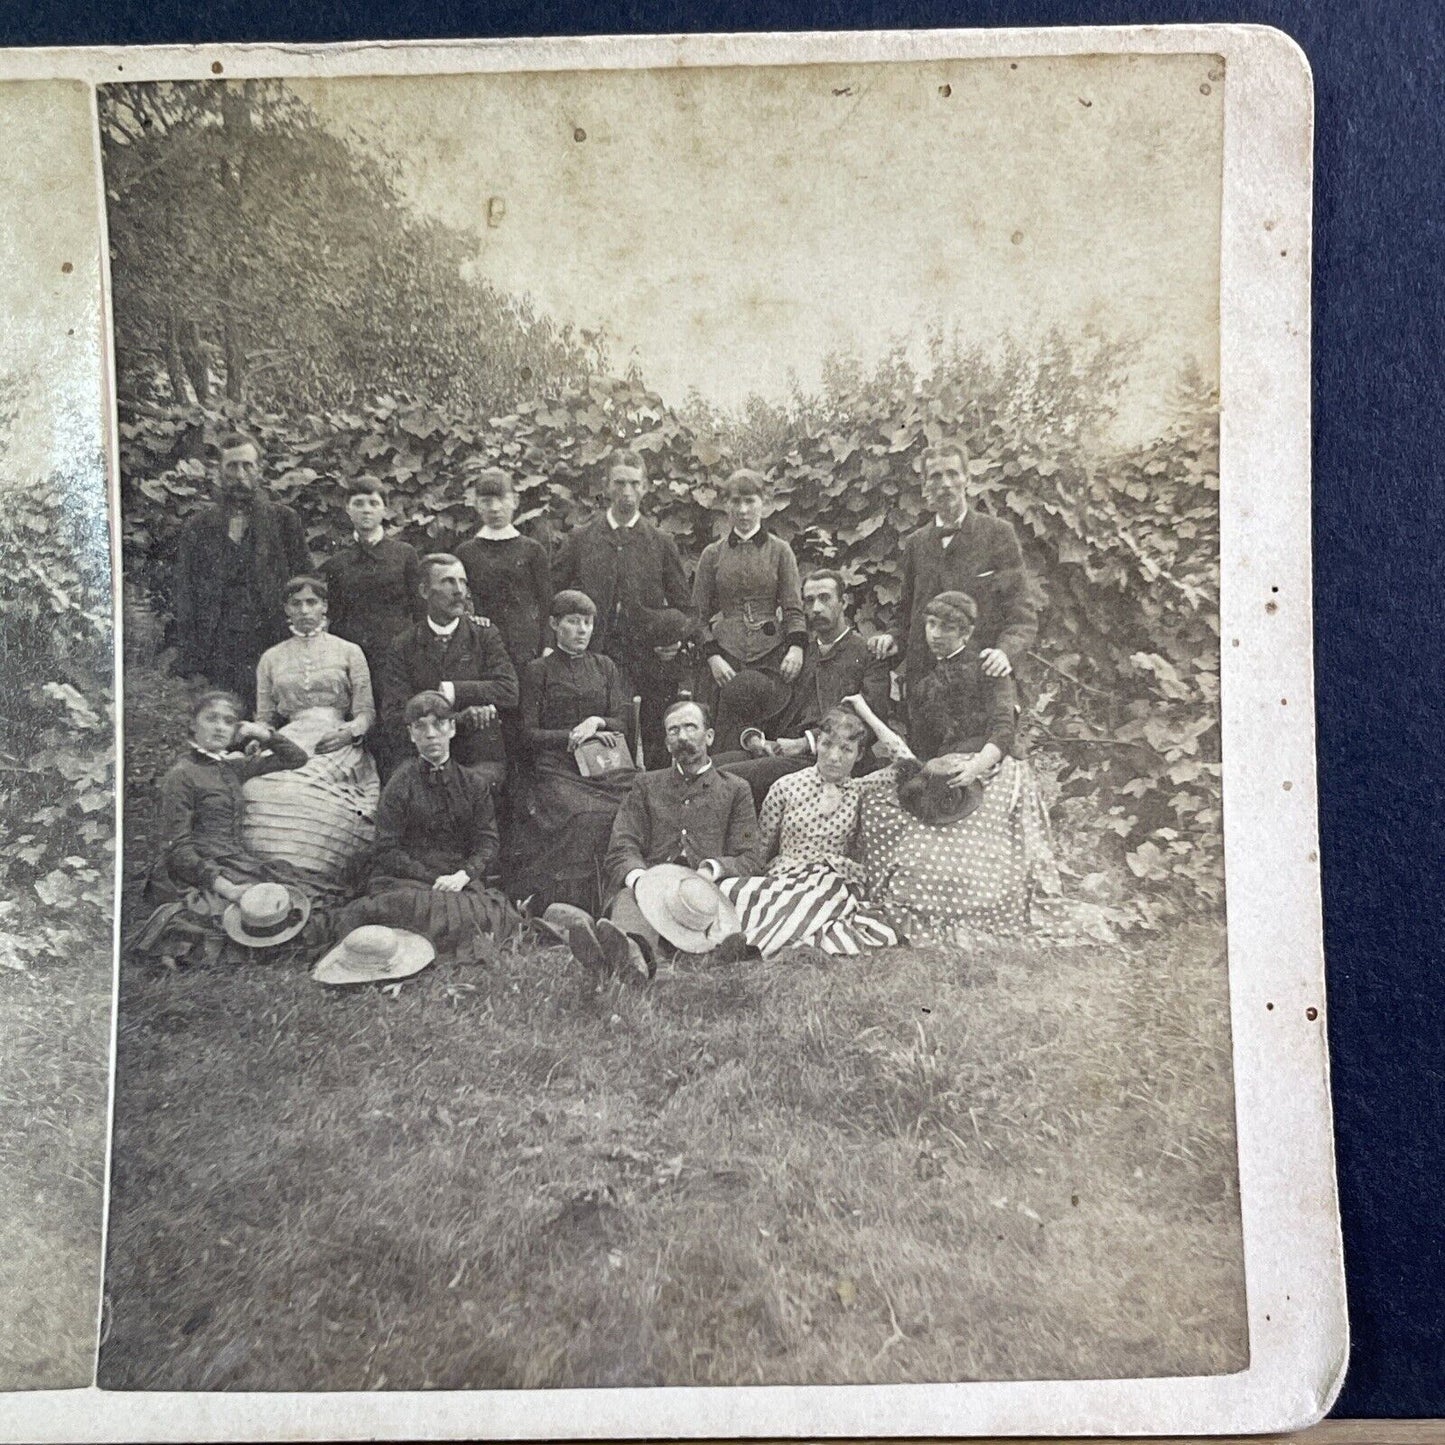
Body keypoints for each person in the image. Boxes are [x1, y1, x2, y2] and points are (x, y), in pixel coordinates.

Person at [851, 591, 1058, 937]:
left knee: (955, 850)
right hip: (941, 769)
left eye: (946, 628)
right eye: (930, 624)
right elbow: (920, 742)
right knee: (874, 800)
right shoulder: (922, 678)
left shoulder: (988, 667)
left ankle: (964, 902)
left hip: (989, 766)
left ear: (966, 633)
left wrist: (976, 766)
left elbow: (1005, 730)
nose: (935, 634)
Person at [557, 699, 761, 976]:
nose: (683, 737)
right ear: (667, 742)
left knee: (718, 910)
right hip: (652, 886)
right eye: (674, 730)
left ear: (709, 736)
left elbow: (749, 855)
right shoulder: (646, 785)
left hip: (704, 890)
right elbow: (622, 844)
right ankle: (632, 953)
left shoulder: (735, 789)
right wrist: (642, 879)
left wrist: (712, 869)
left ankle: (614, 951)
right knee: (630, 899)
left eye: (691, 727)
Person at [127, 689, 310, 964]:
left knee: (293, 900)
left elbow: (297, 759)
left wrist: (262, 733)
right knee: (244, 915)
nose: (220, 727)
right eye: (212, 719)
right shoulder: (182, 775)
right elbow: (178, 849)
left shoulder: (230, 768)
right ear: (193, 724)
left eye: (229, 721)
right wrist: (227, 888)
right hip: (192, 871)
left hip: (235, 860)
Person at [333, 690, 503, 961]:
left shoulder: (473, 783)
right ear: (411, 734)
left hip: (457, 878)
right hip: (409, 878)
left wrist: (464, 875)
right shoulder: (400, 783)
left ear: (452, 728)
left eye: (439, 724)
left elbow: (487, 841)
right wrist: (430, 879)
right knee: (403, 908)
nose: (431, 734)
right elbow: (386, 848)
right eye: (420, 727)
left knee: (482, 912)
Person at [552, 449, 696, 764]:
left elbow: (688, 608)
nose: (627, 492)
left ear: (645, 487)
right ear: (606, 486)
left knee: (659, 741)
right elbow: (554, 597)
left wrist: (674, 640)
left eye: (634, 483)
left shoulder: (660, 542)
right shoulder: (582, 539)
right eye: (619, 483)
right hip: (597, 657)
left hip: (651, 659)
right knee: (602, 745)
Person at [718, 706, 898, 957]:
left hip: (830, 879)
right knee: (731, 890)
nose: (834, 756)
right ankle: (762, 936)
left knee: (813, 894)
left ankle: (756, 945)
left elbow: (907, 763)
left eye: (846, 749)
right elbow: (760, 849)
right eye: (827, 745)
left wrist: (863, 709)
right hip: (786, 874)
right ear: (817, 745)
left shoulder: (861, 789)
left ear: (859, 756)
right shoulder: (786, 786)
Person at [240, 575, 381, 884]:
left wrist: (348, 732)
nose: (304, 610)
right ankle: (266, 876)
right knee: (256, 790)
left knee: (305, 791)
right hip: (289, 737)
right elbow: (265, 718)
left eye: (311, 602)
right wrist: (256, 739)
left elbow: (365, 712)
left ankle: (313, 873)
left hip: (336, 739)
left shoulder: (348, 651)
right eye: (296, 604)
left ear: (324, 607)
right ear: (286, 610)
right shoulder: (271, 657)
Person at [868, 440, 1038, 690]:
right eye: (936, 476)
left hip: (980, 683)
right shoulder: (916, 543)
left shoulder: (998, 534)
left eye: (953, 474)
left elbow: (1021, 616)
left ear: (967, 479)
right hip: (925, 686)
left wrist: (1004, 653)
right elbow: (905, 616)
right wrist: (892, 638)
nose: (945, 484)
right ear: (926, 485)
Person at [718, 568, 893, 805]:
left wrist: (806, 743)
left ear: (843, 602)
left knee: (723, 780)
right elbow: (765, 704)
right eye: (809, 601)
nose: (816, 608)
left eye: (825, 598)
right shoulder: (798, 654)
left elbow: (870, 719)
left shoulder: (866, 654)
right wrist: (755, 739)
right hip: (781, 752)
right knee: (706, 767)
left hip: (830, 759)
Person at [508, 589, 635, 914]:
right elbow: (526, 734)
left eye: (588, 623)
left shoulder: (605, 666)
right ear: (554, 624)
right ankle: (567, 903)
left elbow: (622, 720)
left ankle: (623, 896)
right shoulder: (539, 670)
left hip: (605, 766)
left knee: (635, 804)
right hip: (555, 768)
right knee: (583, 816)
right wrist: (570, 736)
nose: (582, 630)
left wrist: (597, 722)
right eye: (573, 622)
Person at [171, 430, 310, 706]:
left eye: (247, 465)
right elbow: (184, 594)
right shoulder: (199, 527)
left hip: (273, 639)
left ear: (259, 470)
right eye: (232, 466)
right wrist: (191, 657)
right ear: (219, 472)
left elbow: (305, 580)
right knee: (227, 722)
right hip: (219, 645)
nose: (240, 473)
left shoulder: (284, 521)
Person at [377, 554, 519, 788]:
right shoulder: (403, 645)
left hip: (477, 754)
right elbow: (394, 715)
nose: (459, 591)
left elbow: (509, 690)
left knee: (478, 786)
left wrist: (453, 690)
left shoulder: (484, 634)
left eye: (462, 582)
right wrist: (458, 718)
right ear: (424, 591)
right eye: (448, 582)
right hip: (421, 754)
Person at [692, 468, 807, 753]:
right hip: (725, 660)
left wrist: (796, 648)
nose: (743, 510)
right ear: (726, 506)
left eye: (750, 501)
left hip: (771, 657)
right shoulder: (712, 554)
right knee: (725, 738)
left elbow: (793, 608)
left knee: (768, 741)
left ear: (764, 503)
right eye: (735, 502)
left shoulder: (781, 551)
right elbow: (696, 616)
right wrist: (713, 656)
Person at [318, 476, 424, 679]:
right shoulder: (338, 562)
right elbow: (335, 615)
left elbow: (419, 607)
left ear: (384, 510)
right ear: (348, 509)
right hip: (352, 655)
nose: (366, 510)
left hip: (395, 655)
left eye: (373, 503)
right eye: (358, 503)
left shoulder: (405, 554)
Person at [453, 467, 553, 674]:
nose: (495, 508)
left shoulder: (533, 550)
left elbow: (546, 603)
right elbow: (459, 601)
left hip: (526, 649)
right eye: (486, 501)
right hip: (481, 648)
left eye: (502, 499)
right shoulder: (465, 552)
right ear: (477, 505)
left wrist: (548, 646)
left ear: (515, 501)